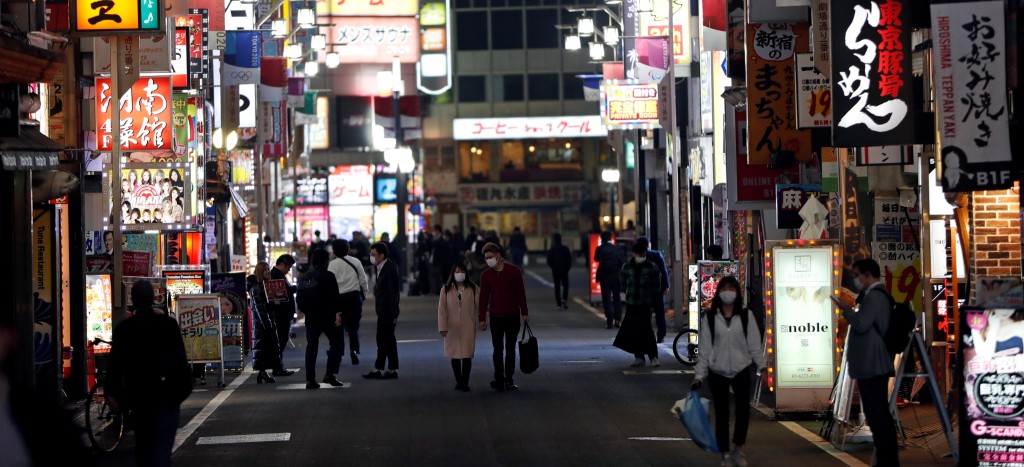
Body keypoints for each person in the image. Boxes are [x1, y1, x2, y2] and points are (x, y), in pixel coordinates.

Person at [106, 280, 191, 467]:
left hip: (138, 398)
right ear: (153, 299)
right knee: (162, 449)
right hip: (166, 395)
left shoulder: (125, 329)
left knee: (143, 448)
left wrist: (113, 393)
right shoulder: (167, 325)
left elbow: (115, 365)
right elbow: (181, 361)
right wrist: (180, 393)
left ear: (133, 300)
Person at [691, 276, 766, 467]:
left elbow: (754, 343)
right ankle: (724, 454)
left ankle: (738, 449)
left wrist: (761, 364)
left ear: (737, 292)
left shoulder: (746, 315)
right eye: (724, 288)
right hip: (717, 371)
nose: (727, 292)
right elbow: (705, 348)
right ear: (718, 292)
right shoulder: (710, 317)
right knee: (722, 414)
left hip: (742, 369)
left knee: (743, 412)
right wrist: (699, 375)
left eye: (731, 289)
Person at [831, 259, 899, 466]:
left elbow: (861, 324)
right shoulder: (878, 295)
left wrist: (846, 309)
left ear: (867, 275)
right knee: (879, 413)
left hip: (872, 364)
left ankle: (887, 461)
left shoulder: (875, 297)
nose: (855, 280)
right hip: (873, 363)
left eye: (856, 275)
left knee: (877, 414)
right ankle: (886, 460)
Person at [478, 243, 529, 391]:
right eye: (486, 258)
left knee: (510, 349)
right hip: (496, 317)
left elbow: (521, 293)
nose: (488, 260)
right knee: (497, 349)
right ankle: (499, 378)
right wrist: (482, 318)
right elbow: (483, 298)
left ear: (498, 255)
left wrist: (524, 312)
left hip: (512, 316)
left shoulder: (514, 271)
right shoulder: (486, 275)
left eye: (490, 257)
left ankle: (509, 379)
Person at [299, 249, 344, 389]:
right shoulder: (329, 276)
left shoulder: (306, 276)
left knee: (311, 347)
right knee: (336, 343)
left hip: (311, 317)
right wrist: (338, 314)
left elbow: (300, 298)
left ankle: (309, 379)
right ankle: (330, 374)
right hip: (327, 316)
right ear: (326, 261)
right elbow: (335, 297)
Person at [614, 242, 662, 368]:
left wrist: (652, 299)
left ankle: (654, 357)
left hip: (646, 303)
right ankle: (639, 357)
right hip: (632, 303)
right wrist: (627, 292)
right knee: (634, 330)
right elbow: (623, 283)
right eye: (638, 254)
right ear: (634, 254)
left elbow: (657, 285)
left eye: (642, 254)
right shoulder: (627, 267)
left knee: (647, 329)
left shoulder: (652, 267)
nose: (640, 256)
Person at [438, 263, 479, 391]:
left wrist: (482, 320)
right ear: (452, 274)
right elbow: (441, 309)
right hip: (452, 327)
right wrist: (443, 327)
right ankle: (459, 380)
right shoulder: (446, 289)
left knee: (467, 355)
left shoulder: (473, 288)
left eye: (461, 271)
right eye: (456, 271)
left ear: (465, 273)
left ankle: (464, 382)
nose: (459, 273)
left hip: (468, 326)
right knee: (454, 354)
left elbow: (480, 306)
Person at [364, 242, 401, 380]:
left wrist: (394, 313)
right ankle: (390, 369)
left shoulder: (390, 268)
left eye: (373, 254)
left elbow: (393, 293)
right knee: (386, 339)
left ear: (381, 255)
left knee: (384, 339)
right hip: (382, 310)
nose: (371, 257)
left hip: (388, 311)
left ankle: (379, 368)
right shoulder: (380, 267)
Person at [328, 239, 369, 365]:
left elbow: (330, 284)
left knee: (338, 326)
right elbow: (363, 280)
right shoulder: (356, 261)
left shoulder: (332, 264)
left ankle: (339, 352)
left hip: (339, 298)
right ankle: (354, 350)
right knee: (353, 326)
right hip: (354, 297)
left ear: (334, 251)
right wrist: (364, 295)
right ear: (348, 249)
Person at [247, 262, 282, 383]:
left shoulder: (264, 285)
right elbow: (260, 308)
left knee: (265, 349)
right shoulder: (258, 287)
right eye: (265, 270)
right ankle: (262, 372)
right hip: (262, 324)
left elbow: (266, 306)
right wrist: (267, 325)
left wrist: (274, 304)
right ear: (259, 272)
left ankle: (262, 372)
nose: (268, 272)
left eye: (268, 269)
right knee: (263, 348)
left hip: (263, 323)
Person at [636, 236, 670, 343]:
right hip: (657, 288)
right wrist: (666, 285)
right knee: (660, 312)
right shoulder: (657, 254)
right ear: (648, 245)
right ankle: (661, 335)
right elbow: (664, 270)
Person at [270, 255, 298, 377]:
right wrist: (293, 289)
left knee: (281, 340)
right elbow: (281, 293)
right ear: (282, 265)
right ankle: (277, 367)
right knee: (280, 340)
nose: (288, 270)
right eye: (288, 267)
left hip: (283, 314)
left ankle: (278, 366)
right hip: (280, 314)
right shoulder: (275, 275)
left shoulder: (278, 275)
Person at [594, 231, 625, 329]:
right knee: (617, 298)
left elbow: (596, 259)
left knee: (606, 298)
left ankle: (609, 321)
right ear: (610, 238)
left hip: (604, 276)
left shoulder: (600, 248)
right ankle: (618, 320)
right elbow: (621, 262)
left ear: (602, 238)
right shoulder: (616, 249)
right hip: (615, 276)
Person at [545, 232, 573, 310]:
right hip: (564, 270)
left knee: (557, 287)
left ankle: (558, 303)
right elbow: (569, 259)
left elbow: (549, 260)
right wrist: (567, 268)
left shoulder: (552, 249)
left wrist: (553, 267)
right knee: (565, 285)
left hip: (555, 270)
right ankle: (564, 299)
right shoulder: (565, 249)